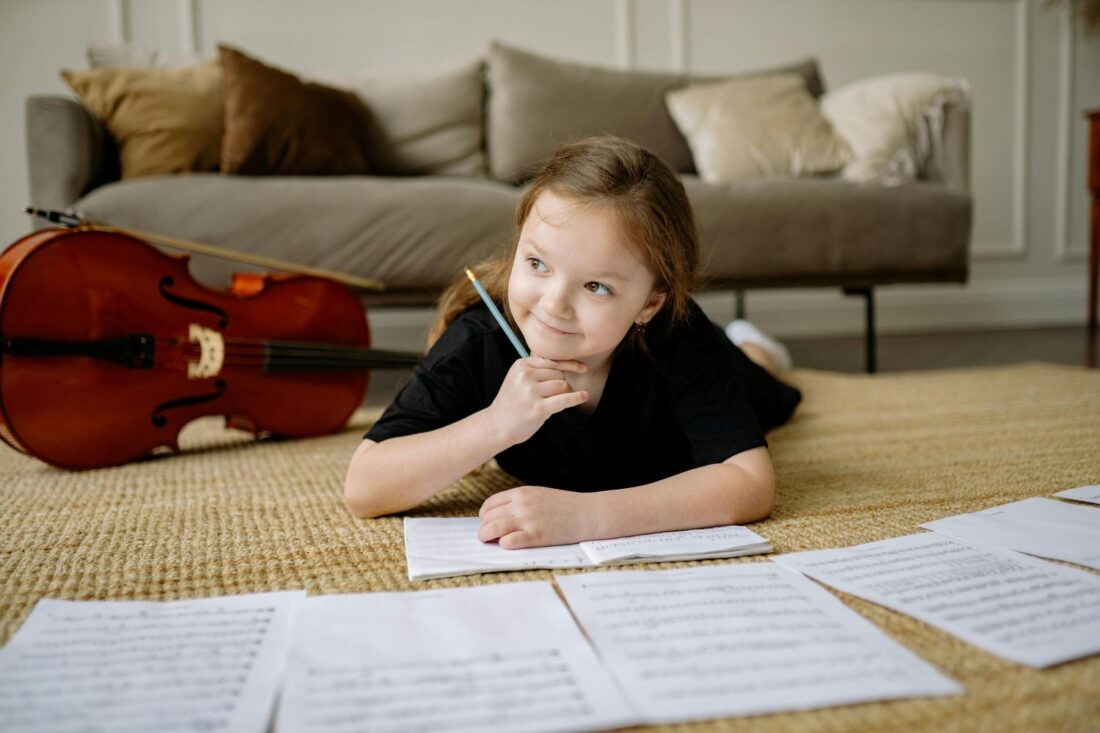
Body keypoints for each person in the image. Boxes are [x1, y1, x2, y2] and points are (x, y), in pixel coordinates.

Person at [344, 135, 801, 549]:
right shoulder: (480, 339)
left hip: (710, 384)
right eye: (538, 264)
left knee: (762, 384)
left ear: (648, 304)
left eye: (596, 287)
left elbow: (750, 483)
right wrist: (498, 423)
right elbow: (364, 486)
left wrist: (587, 516)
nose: (553, 304)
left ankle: (754, 348)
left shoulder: (676, 336)